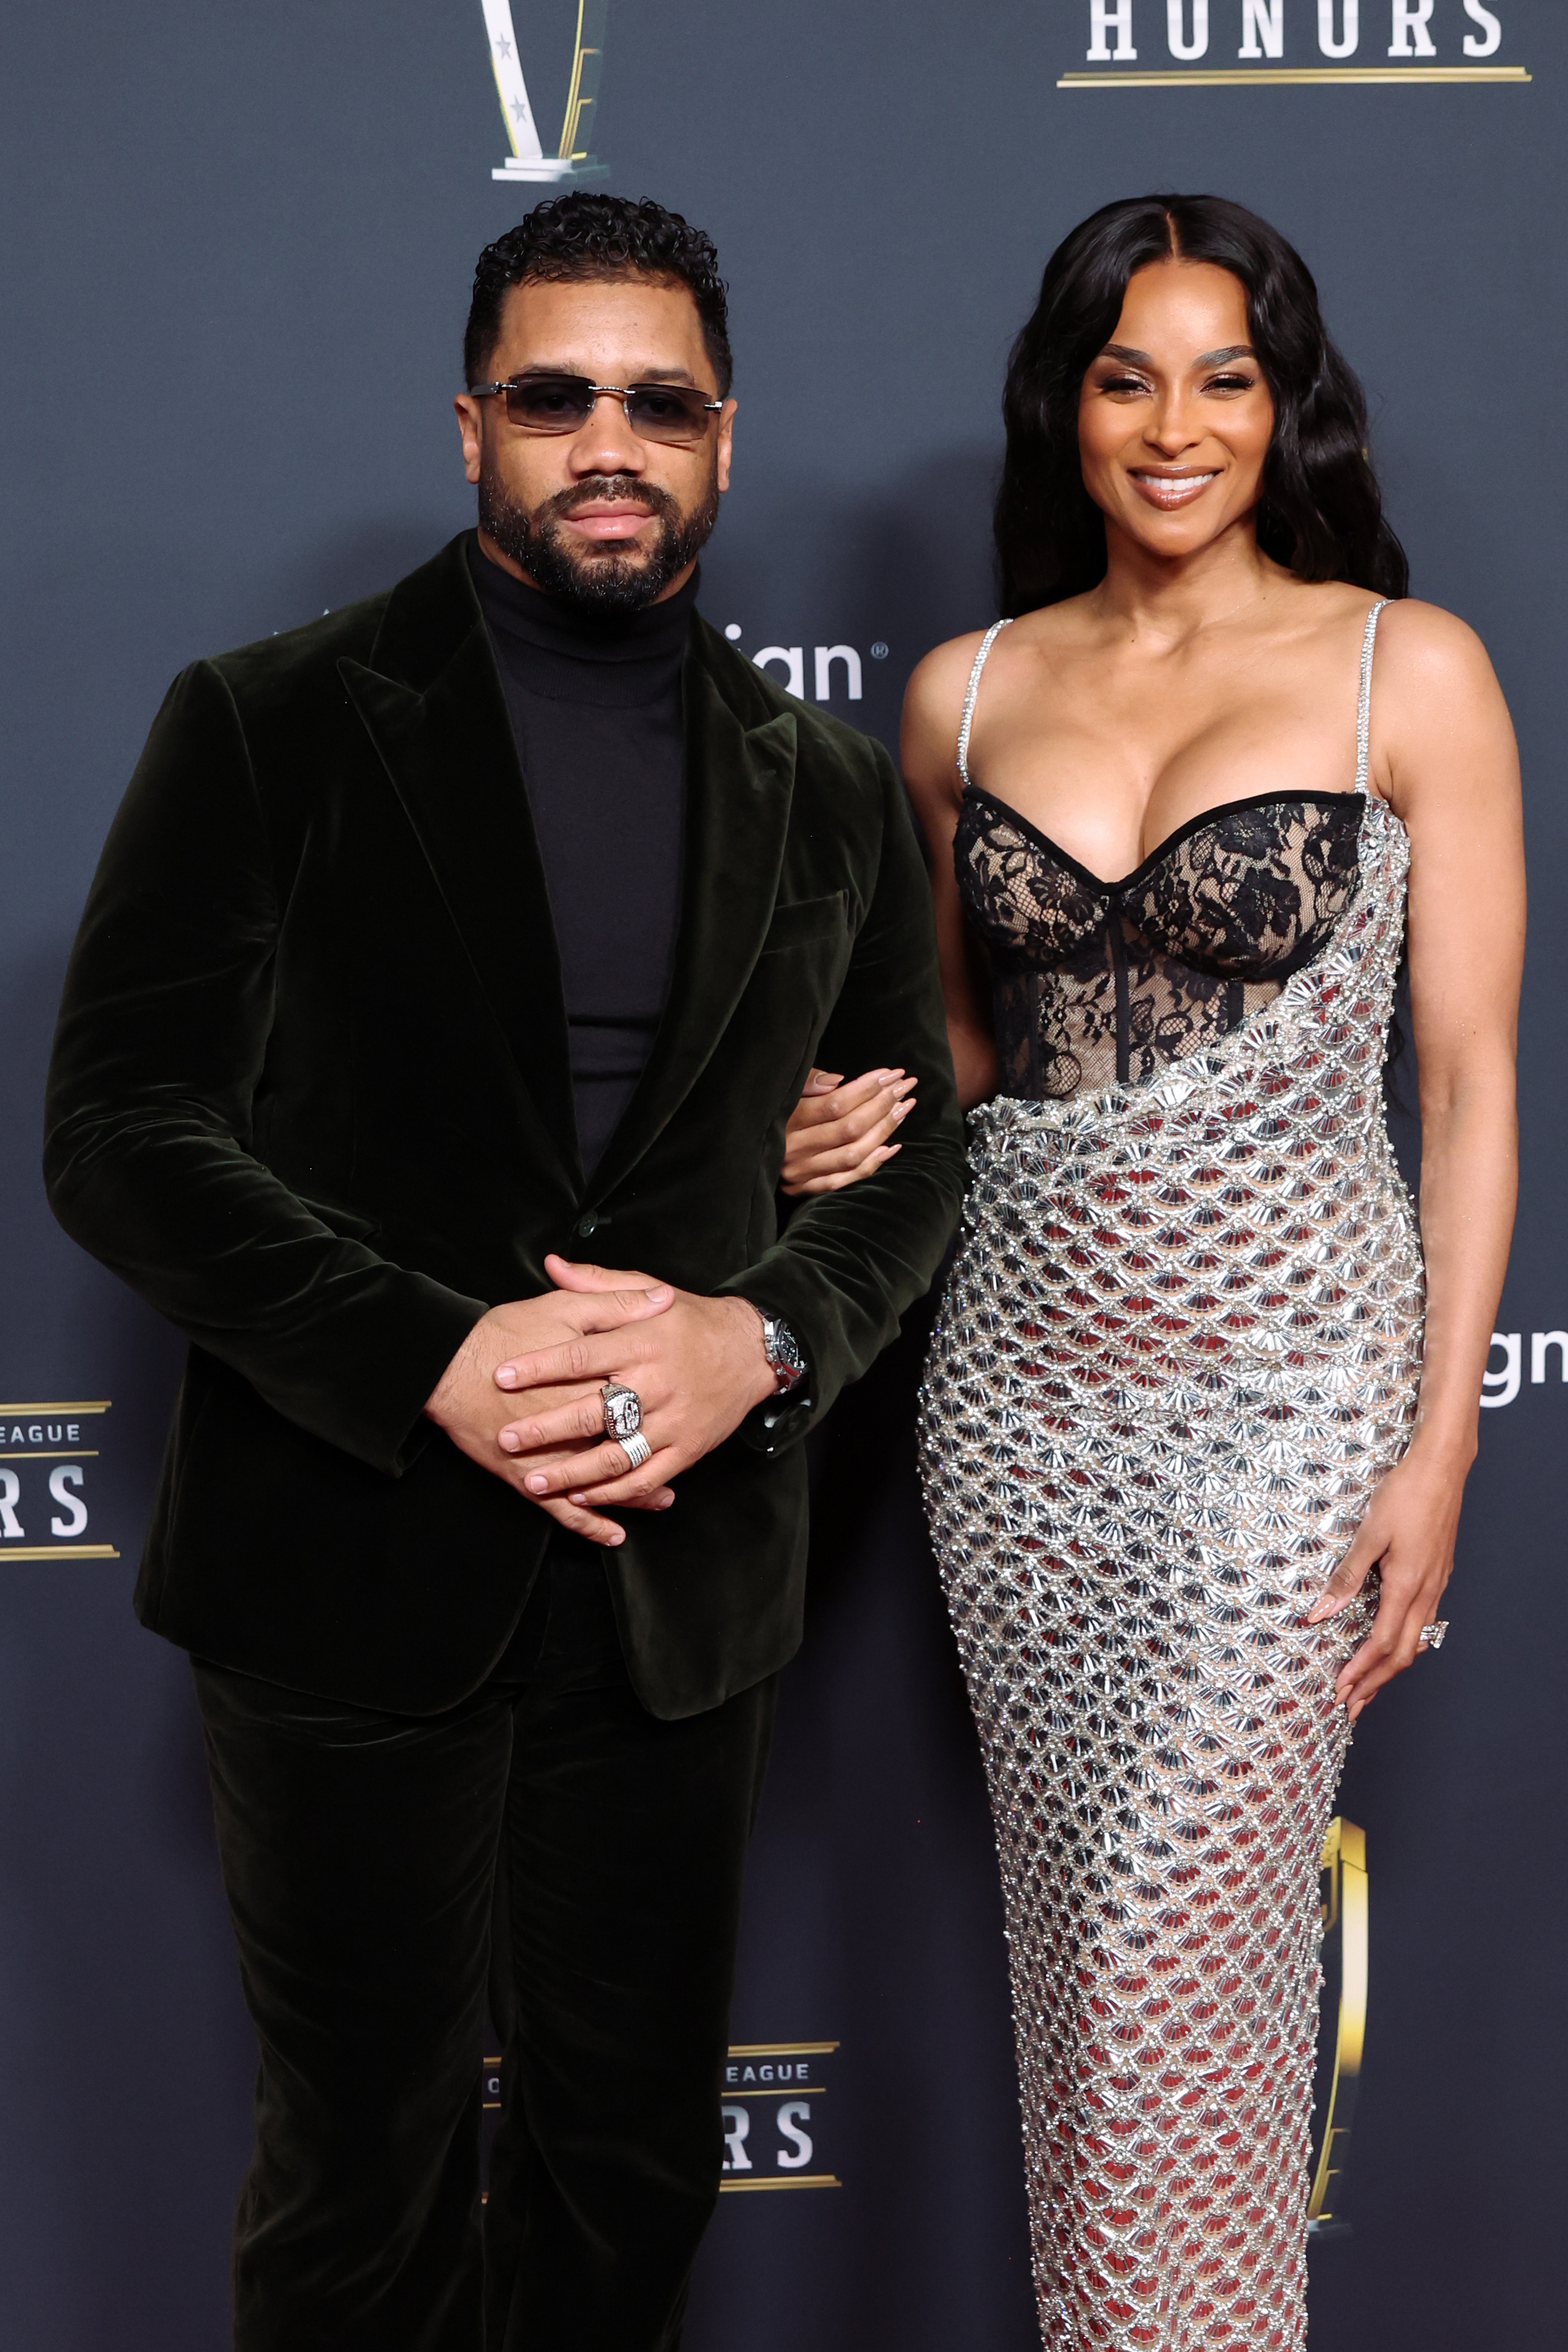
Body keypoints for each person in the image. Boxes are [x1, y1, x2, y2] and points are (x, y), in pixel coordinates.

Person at [42, 193, 964, 2351]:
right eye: (556, 399)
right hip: (349, 1558)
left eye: (661, 402)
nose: (608, 441)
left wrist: (766, 1338)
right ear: (473, 430)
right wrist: (435, 1359)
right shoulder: (268, 723)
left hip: (683, 1580)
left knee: (628, 2177)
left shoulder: (828, 791)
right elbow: (122, 1131)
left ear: (728, 443)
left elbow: (912, 1169)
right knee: (357, 2174)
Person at [900, 196, 1522, 2348]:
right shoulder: (961, 695)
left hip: (1290, 1419)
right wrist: (845, 1121)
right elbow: (969, 1060)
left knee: (1175, 1967)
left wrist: (1441, 1445)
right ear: (1066, 404)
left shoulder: (1401, 668)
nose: (1177, 426)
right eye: (1128, 374)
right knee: (1088, 2003)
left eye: (1226, 376)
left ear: (1289, 404)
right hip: (1017, 1424)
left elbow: (1468, 1075)